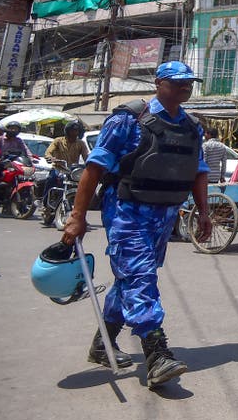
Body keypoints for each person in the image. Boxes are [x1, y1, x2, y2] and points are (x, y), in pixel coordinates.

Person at [60, 61, 212, 389]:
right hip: (128, 212)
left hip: (165, 216)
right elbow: (94, 169)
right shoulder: (129, 118)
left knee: (128, 279)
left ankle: (104, 341)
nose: (185, 87)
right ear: (158, 83)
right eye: (177, 82)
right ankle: (156, 352)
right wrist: (77, 216)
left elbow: (199, 171)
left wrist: (204, 212)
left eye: (189, 83)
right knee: (141, 277)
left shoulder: (192, 126)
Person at [43, 121, 90, 226]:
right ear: (67, 131)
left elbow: (86, 156)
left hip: (72, 171)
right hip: (59, 168)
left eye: (76, 131)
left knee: (81, 189)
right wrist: (51, 158)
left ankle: (80, 216)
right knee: (51, 179)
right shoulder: (58, 141)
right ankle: (46, 204)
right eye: (72, 130)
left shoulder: (80, 143)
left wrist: (90, 163)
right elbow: (48, 152)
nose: (74, 133)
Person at [0, 121, 33, 210]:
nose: (13, 130)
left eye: (16, 129)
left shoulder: (18, 141)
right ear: (7, 129)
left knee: (22, 178)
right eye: (12, 128)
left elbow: (26, 150)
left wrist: (31, 159)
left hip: (13, 165)